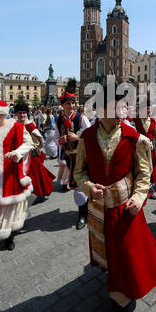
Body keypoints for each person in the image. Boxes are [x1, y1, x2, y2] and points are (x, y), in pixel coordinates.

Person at [74, 84, 156, 312]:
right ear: (102, 109)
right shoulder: (87, 138)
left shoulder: (136, 138)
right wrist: (88, 187)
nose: (126, 108)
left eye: (126, 103)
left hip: (126, 208)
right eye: (120, 104)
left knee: (127, 257)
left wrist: (139, 196)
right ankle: (116, 293)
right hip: (100, 208)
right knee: (109, 254)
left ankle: (121, 309)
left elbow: (145, 174)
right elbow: (79, 172)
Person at [0, 99, 34, 250]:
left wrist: (16, 152)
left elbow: (29, 143)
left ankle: (10, 237)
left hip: (9, 174)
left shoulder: (16, 127)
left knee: (10, 206)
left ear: (4, 114)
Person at [54, 92, 91, 229]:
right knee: (77, 186)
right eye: (68, 103)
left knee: (79, 186)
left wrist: (78, 137)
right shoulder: (59, 120)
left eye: (73, 103)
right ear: (62, 105)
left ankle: (83, 215)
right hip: (68, 156)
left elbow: (91, 134)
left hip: (82, 156)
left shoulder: (81, 118)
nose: (71, 106)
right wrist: (59, 140)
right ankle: (85, 211)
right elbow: (56, 136)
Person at [14, 102, 55, 201]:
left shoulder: (29, 125)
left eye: (24, 113)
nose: (22, 115)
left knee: (35, 175)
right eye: (20, 113)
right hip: (20, 155)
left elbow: (40, 139)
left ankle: (37, 194)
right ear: (16, 114)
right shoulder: (15, 124)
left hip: (31, 155)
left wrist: (36, 148)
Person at [131, 102, 156, 200]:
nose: (148, 111)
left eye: (149, 109)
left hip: (150, 150)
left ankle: (149, 191)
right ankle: (138, 190)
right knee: (138, 169)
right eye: (146, 109)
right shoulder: (134, 121)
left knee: (150, 170)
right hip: (137, 150)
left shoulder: (153, 122)